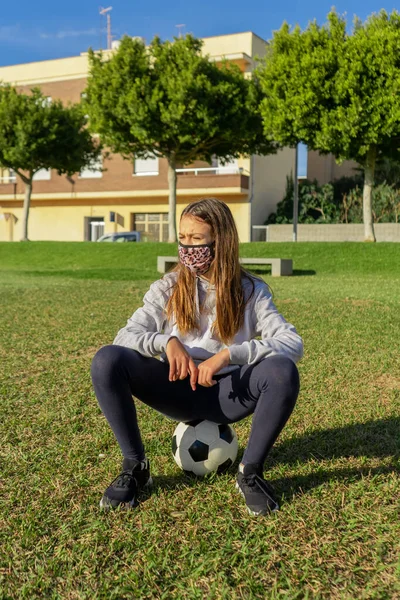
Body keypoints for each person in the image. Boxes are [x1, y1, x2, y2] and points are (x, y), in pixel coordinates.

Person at [91, 197, 303, 516]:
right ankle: (135, 465)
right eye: (183, 238)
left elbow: (292, 342)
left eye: (197, 239)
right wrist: (166, 343)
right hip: (176, 387)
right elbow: (124, 337)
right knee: (107, 360)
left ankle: (250, 473)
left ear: (222, 242)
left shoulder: (252, 291)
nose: (188, 248)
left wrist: (232, 354)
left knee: (281, 371)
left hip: (228, 393)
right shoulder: (168, 287)